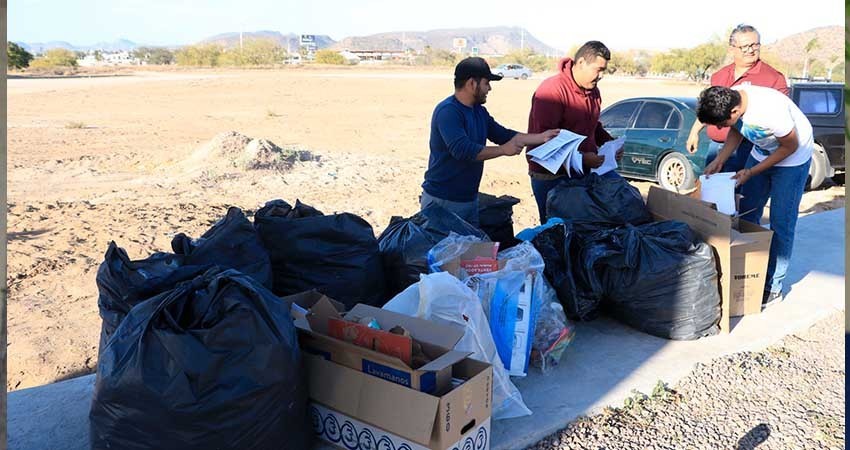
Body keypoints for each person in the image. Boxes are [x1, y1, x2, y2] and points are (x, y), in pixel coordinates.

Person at [697, 85, 813, 308]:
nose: (721, 128)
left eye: (721, 123)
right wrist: (720, 159)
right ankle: (750, 272)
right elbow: (736, 129)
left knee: (781, 222)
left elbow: (789, 146)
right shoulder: (732, 98)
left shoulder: (771, 111)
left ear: (734, 111)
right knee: (747, 213)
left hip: (792, 160)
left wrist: (752, 172)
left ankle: (773, 285)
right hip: (761, 154)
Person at [421, 57, 559, 227]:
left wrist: (542, 137)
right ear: (472, 83)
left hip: (469, 200)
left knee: (471, 244)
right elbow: (463, 150)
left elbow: (503, 134)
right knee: (444, 245)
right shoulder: (448, 111)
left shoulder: (479, 111)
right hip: (443, 201)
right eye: (486, 83)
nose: (489, 88)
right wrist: (503, 150)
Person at [526, 41, 624, 224]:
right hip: (551, 176)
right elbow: (545, 141)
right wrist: (582, 158)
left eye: (604, 71)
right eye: (598, 70)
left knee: (586, 227)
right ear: (581, 63)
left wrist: (610, 143)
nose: (601, 76)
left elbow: (593, 124)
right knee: (556, 230)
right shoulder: (551, 91)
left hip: (581, 172)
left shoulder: (593, 91)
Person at [687, 24, 789, 174]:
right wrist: (694, 132)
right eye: (745, 47)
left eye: (755, 45)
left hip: (748, 148)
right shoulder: (720, 75)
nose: (751, 50)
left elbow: (783, 119)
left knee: (740, 187)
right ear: (732, 48)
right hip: (716, 145)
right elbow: (710, 107)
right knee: (711, 184)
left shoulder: (774, 78)